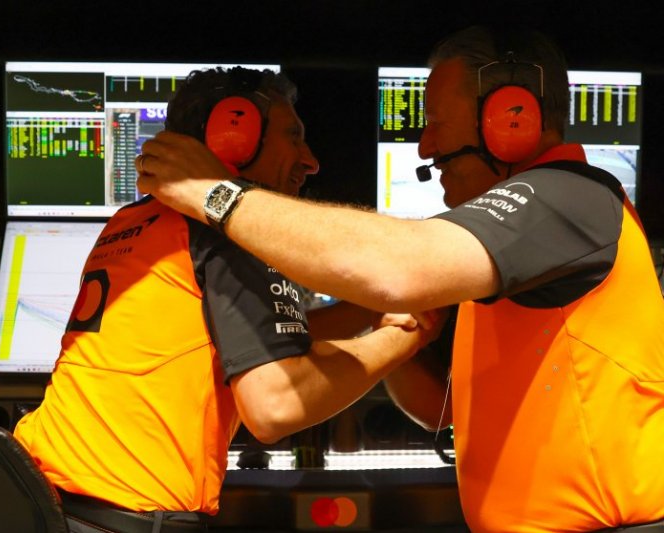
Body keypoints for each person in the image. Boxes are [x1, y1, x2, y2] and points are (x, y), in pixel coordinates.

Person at [136, 27, 664, 532]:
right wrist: (395, 335)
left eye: (435, 122)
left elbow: (396, 270)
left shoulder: (568, 196)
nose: (425, 147)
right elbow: (442, 410)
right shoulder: (513, 249)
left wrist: (214, 193)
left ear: (512, 116)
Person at [13, 66, 441, 533]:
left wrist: (371, 305)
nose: (310, 160)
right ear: (234, 134)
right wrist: (406, 335)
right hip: (126, 514)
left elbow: (245, 337)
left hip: (47, 497)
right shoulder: (227, 231)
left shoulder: (132, 221)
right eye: (293, 137)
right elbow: (276, 405)